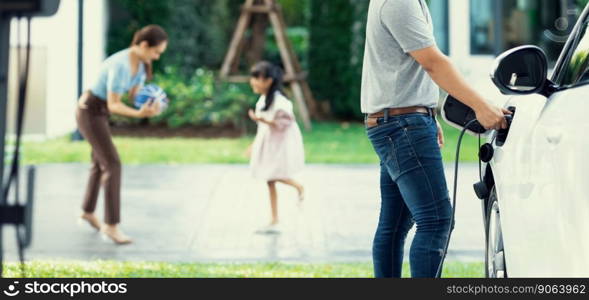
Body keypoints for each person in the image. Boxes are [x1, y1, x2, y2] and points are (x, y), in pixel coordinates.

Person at [361, 0, 511, 277]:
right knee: (436, 220)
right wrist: (481, 105)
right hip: (402, 125)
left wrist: (428, 112)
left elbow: (417, 63)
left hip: (399, 120)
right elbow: (433, 62)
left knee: (394, 224)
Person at [76, 25, 168, 244]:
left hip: (101, 112)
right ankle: (111, 225)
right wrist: (139, 114)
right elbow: (114, 104)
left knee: (100, 164)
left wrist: (153, 103)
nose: (156, 57)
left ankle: (87, 212)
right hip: (89, 111)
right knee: (112, 164)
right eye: (156, 52)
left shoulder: (142, 65)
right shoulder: (120, 65)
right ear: (144, 45)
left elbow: (135, 95)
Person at [247, 61, 305, 233]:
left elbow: (285, 122)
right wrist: (254, 143)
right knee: (269, 179)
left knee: (271, 175)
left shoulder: (280, 102)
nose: (253, 82)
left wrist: (264, 120)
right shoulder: (265, 98)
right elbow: (265, 127)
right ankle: (274, 219)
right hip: (270, 144)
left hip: (279, 146)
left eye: (257, 78)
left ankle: (298, 187)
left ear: (269, 81)